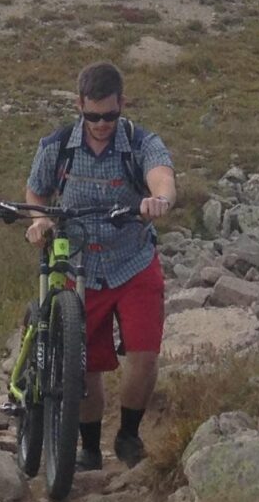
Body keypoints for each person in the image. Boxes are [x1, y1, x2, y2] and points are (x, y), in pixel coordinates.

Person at [26, 61, 176, 470]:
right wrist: (40, 221)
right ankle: (89, 448)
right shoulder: (56, 147)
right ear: (79, 106)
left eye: (110, 115)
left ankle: (128, 434)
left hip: (133, 261)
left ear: (122, 104)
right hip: (79, 269)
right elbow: (36, 192)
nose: (101, 123)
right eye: (92, 116)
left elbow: (162, 175)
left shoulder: (141, 142)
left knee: (143, 356)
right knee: (86, 365)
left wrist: (158, 198)